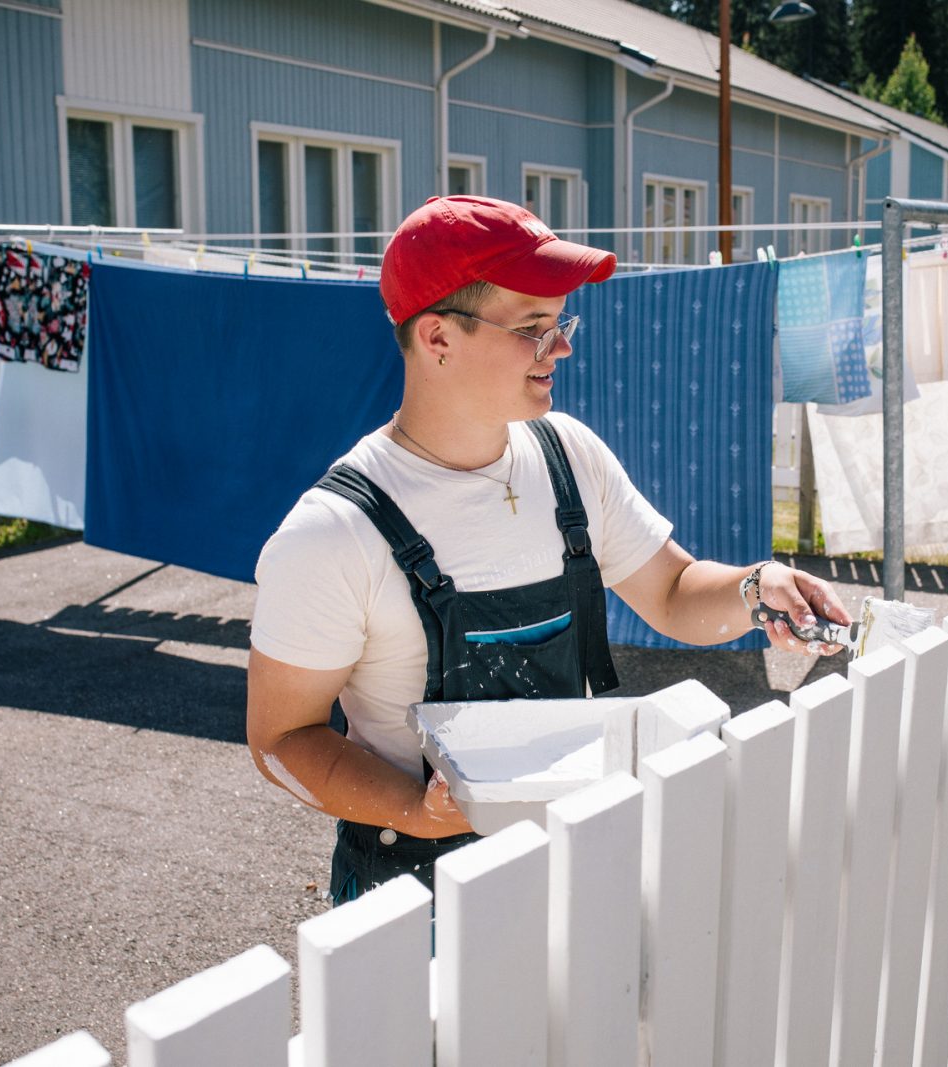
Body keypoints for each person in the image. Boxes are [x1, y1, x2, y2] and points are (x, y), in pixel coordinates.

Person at [245, 195, 851, 905]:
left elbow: (672, 591)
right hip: (410, 901)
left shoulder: (570, 456)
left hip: (573, 866)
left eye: (561, 322)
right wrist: (418, 809)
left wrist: (757, 587)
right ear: (438, 338)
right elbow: (282, 737)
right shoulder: (333, 532)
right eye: (533, 328)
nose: (561, 346)